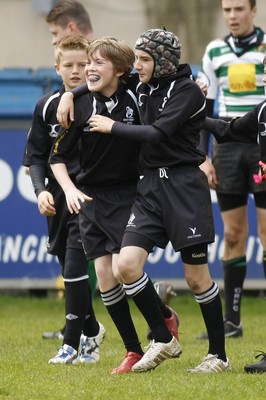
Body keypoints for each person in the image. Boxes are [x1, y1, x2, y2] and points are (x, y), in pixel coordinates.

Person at [79, 28, 229, 373]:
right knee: (125, 266)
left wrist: (111, 126)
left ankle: (218, 355)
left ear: (162, 62)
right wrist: (72, 94)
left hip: (183, 188)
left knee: (196, 278)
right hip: (149, 189)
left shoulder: (187, 91)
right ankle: (164, 337)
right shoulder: (141, 84)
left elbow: (158, 133)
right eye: (138, 59)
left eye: (145, 59)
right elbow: (106, 75)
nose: (138, 66)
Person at [50, 36, 180, 374]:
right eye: (87, 62)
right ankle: (134, 349)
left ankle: (164, 334)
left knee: (125, 266)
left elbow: (164, 78)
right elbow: (57, 158)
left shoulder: (137, 94)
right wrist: (69, 190)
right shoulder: (79, 105)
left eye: (97, 63)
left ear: (121, 71)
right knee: (105, 276)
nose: (89, 69)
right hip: (90, 198)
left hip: (130, 194)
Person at [23, 35, 105, 364]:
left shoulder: (101, 102)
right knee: (68, 269)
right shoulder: (45, 106)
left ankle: (69, 345)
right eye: (69, 65)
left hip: (89, 196)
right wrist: (41, 191)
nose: (76, 70)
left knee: (74, 266)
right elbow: (36, 158)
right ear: (57, 68)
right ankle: (93, 329)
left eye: (83, 64)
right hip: (57, 197)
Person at [196, 0, 266, 340]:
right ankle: (231, 321)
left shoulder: (265, 48)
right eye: (227, 10)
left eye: (239, 9)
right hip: (227, 145)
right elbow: (204, 108)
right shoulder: (214, 51)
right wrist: (204, 157)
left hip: (262, 142)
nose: (232, 16)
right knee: (234, 234)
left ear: (254, 10)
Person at [43, 0, 97, 341]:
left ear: (72, 30)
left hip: (103, 186)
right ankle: (80, 325)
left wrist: (72, 95)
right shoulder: (51, 102)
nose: (53, 40)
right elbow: (42, 154)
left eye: (55, 33)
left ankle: (77, 328)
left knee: (109, 261)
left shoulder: (108, 64)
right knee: (83, 258)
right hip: (69, 190)